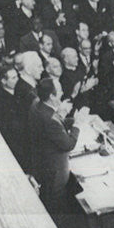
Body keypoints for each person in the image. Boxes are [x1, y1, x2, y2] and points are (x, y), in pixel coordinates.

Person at [27, 77, 83, 216]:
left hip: (43, 163)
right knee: (57, 204)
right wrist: (77, 125)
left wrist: (70, 120)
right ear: (52, 96)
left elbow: (56, 125)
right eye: (60, 91)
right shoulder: (49, 119)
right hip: (55, 169)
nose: (63, 92)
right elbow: (68, 144)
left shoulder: (37, 104)